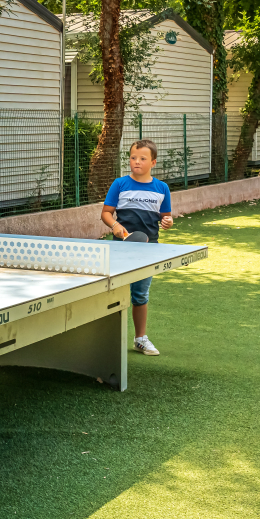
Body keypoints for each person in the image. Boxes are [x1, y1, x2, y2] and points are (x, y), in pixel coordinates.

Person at [100, 139, 173, 356]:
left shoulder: (162, 188)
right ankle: (108, 340)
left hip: (148, 250)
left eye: (142, 158)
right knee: (113, 294)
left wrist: (168, 222)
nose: (136, 162)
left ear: (153, 162)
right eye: (133, 158)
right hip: (121, 249)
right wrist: (115, 226)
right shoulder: (119, 184)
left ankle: (140, 339)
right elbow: (106, 213)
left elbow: (165, 217)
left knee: (140, 295)